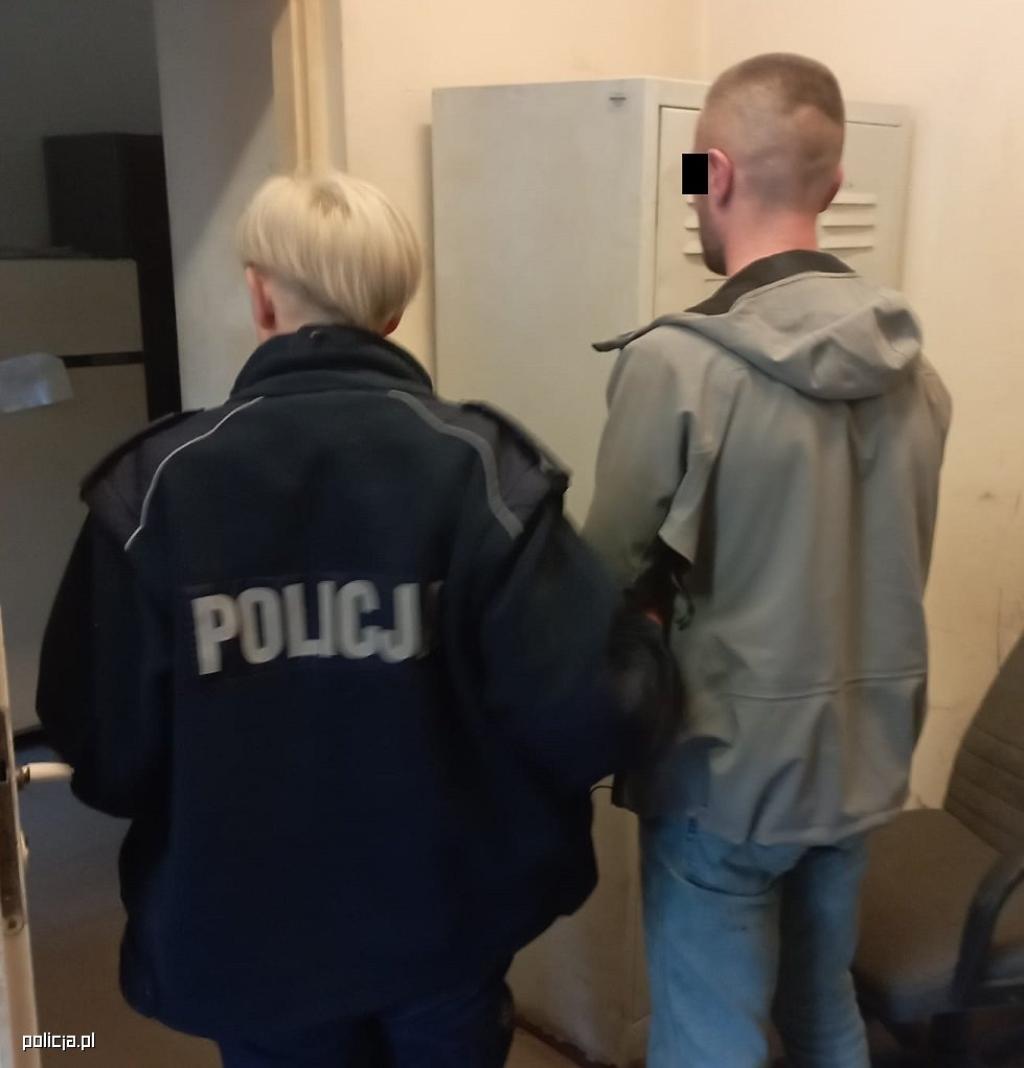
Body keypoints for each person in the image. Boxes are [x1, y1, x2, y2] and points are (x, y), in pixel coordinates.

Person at [36, 172, 645, 1068]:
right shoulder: (481, 473)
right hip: (447, 924)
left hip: (250, 939)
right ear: (392, 313)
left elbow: (103, 746)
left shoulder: (157, 489)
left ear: (260, 296)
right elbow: (598, 709)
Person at [584, 53, 952, 1068]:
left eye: (693, 175)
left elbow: (603, 578)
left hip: (726, 777)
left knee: (712, 1041)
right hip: (860, 764)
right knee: (824, 1009)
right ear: (833, 187)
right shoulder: (918, 378)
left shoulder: (675, 365)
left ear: (714, 174)